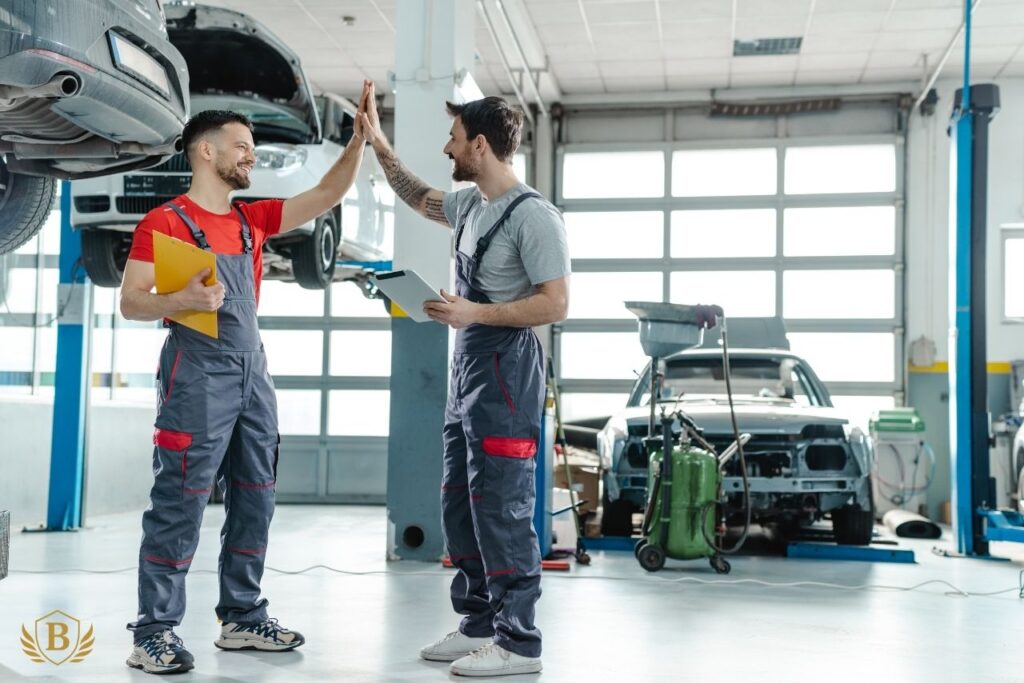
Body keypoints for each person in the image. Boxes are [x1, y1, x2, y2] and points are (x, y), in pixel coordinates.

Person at [119, 106, 366, 674]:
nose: (251, 155)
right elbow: (132, 300)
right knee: (181, 500)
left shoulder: (253, 219)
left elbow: (327, 193)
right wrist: (179, 301)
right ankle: (153, 632)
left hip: (254, 371)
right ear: (206, 151)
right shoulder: (165, 222)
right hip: (196, 372)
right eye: (242, 145)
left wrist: (359, 142)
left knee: (256, 493)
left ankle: (241, 617)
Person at [355, 80, 570, 677]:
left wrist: (473, 312)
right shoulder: (469, 206)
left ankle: (519, 642)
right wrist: (376, 141)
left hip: (507, 369)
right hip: (467, 368)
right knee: (460, 504)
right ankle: (479, 623)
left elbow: (554, 305)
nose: (446, 149)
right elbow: (416, 194)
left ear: (480, 145)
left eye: (452, 140)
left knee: (503, 506)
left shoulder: (536, 218)